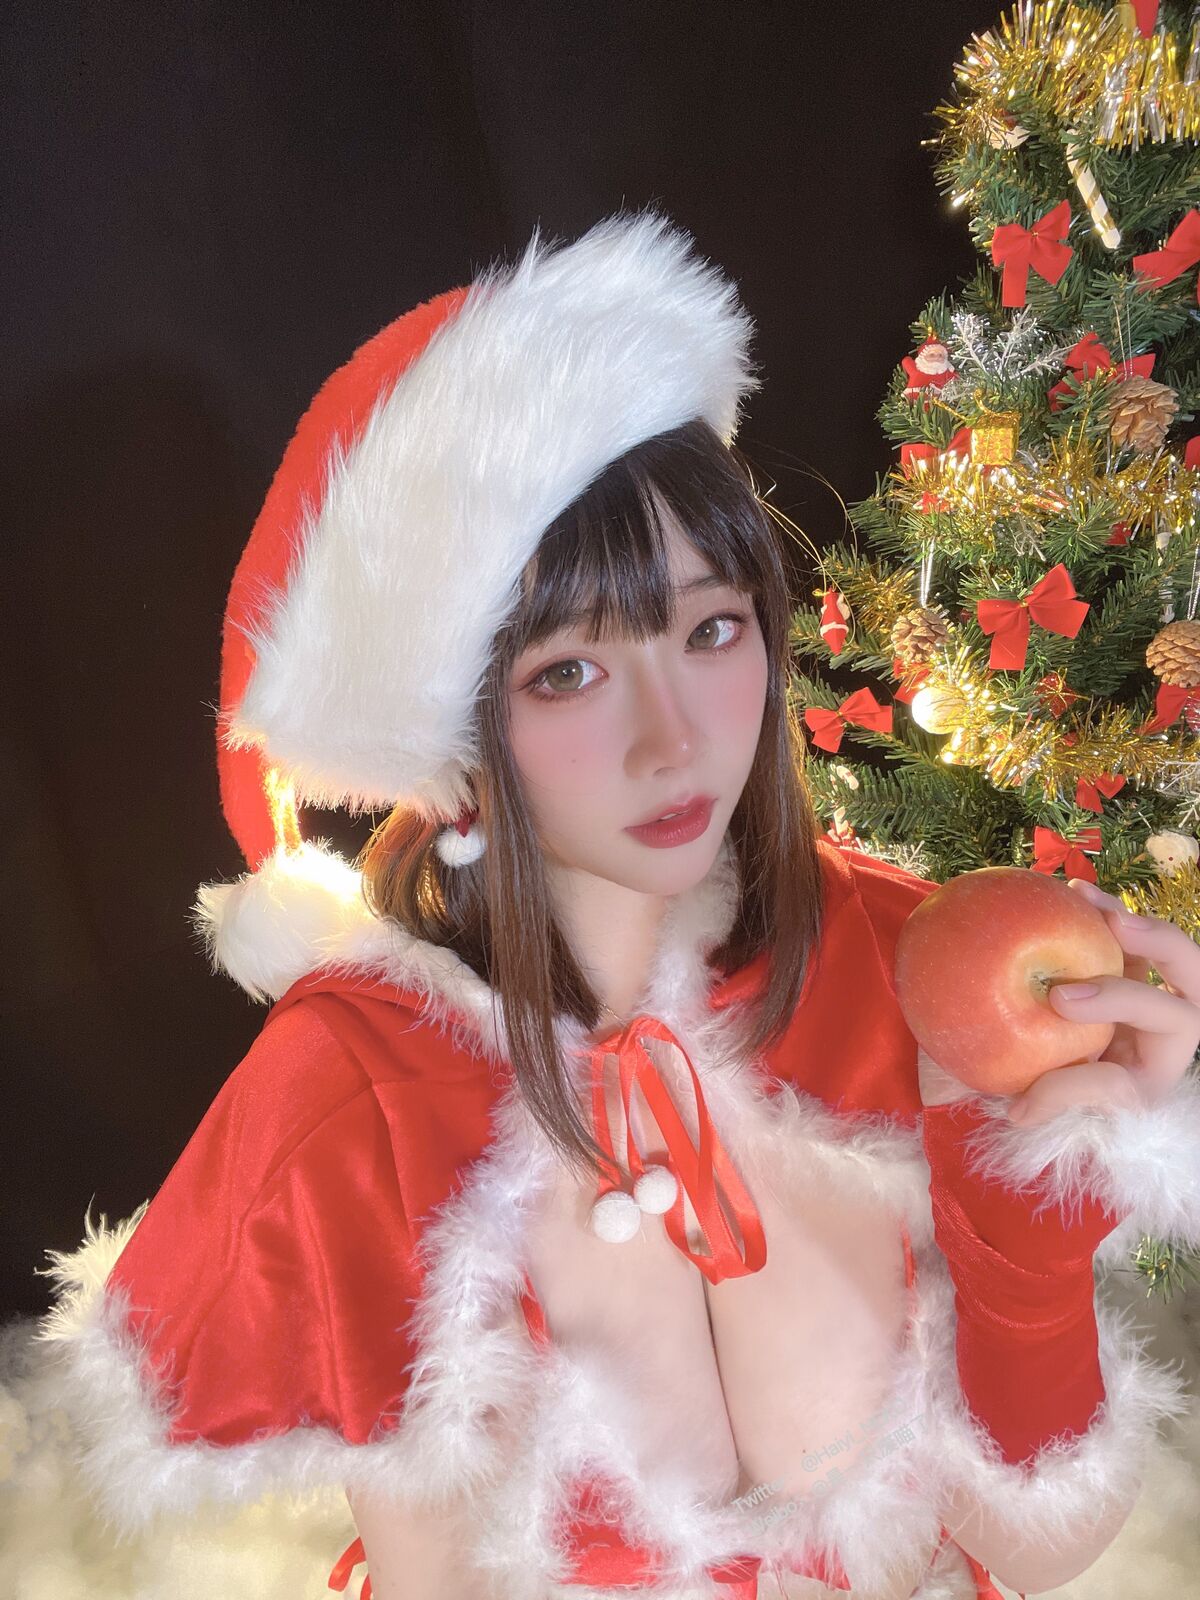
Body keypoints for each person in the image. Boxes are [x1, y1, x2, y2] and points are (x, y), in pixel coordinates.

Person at [35, 209, 1200, 1600]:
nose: (676, 738)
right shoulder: (366, 1099)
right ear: (453, 730)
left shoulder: (894, 964)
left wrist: (1025, 1241)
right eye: (568, 673)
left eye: (712, 630)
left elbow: (1035, 1545)